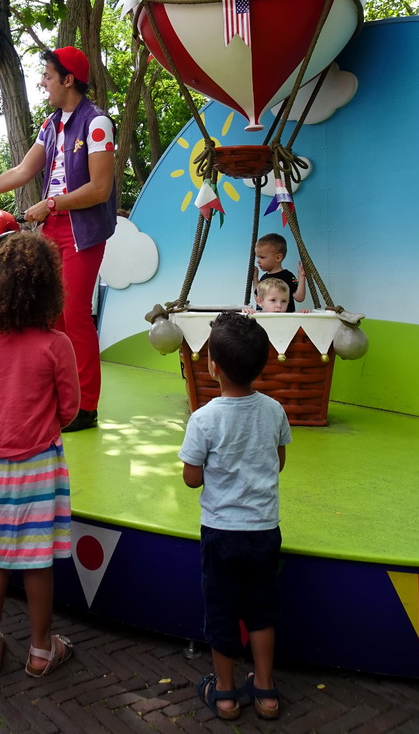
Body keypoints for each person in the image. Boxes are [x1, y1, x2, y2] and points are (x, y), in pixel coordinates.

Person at [0, 46, 116, 432]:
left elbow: (100, 189)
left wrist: (50, 203)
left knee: (75, 314)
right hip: (51, 228)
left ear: (68, 79)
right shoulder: (50, 125)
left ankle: (87, 406)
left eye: (48, 76)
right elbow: (20, 171)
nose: (42, 82)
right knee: (51, 314)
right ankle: (64, 397)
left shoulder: (97, 123)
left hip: (81, 231)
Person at [0, 231, 79, 677]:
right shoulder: (57, 345)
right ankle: (40, 650)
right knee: (37, 561)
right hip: (38, 466)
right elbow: (69, 408)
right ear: (49, 288)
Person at [179, 312, 292, 722]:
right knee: (262, 611)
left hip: (221, 534)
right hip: (263, 530)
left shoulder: (204, 418)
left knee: (222, 611)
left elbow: (192, 478)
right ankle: (265, 691)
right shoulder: (274, 410)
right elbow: (278, 463)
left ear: (214, 367)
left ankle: (225, 694)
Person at [253, 233, 306, 312]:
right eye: (257, 257)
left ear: (278, 258)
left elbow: (299, 297)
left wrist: (301, 277)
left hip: (285, 318)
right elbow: (259, 297)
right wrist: (255, 278)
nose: (258, 261)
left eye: (262, 257)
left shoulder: (287, 276)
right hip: (267, 319)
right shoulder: (264, 278)